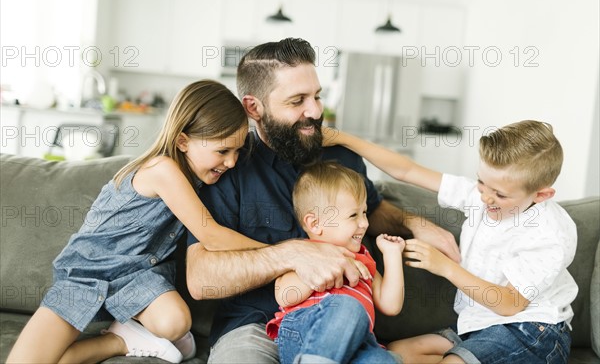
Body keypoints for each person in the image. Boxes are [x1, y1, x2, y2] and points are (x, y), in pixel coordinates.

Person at [185, 37, 460, 363]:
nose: (315, 111)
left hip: (339, 324)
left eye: (317, 96)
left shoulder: (341, 157)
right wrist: (293, 255)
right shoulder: (227, 167)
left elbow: (373, 209)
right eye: (297, 100)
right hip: (254, 325)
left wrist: (415, 223)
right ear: (253, 107)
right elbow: (200, 280)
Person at [7, 80, 266, 364]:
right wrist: (281, 251)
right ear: (182, 141)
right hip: (86, 274)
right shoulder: (162, 170)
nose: (231, 162)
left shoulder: (200, 177)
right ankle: (118, 340)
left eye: (237, 151)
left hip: (135, 276)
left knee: (175, 322)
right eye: (222, 151)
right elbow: (213, 237)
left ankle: (119, 339)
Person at [329, 120, 577, 363]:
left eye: (500, 194)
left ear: (541, 195)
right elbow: (407, 170)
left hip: (533, 331)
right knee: (397, 352)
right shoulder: (480, 197)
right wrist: (341, 137)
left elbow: (510, 304)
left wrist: (445, 267)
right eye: (481, 182)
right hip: (480, 325)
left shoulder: (549, 233)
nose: (486, 198)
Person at [266, 162, 405, 364]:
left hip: (358, 342)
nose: (364, 223)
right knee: (348, 306)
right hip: (305, 332)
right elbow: (284, 295)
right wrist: (332, 267)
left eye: (364, 212)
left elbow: (390, 305)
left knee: (383, 360)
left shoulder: (364, 260)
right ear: (315, 224)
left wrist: (392, 255)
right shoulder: (304, 253)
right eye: (353, 215)